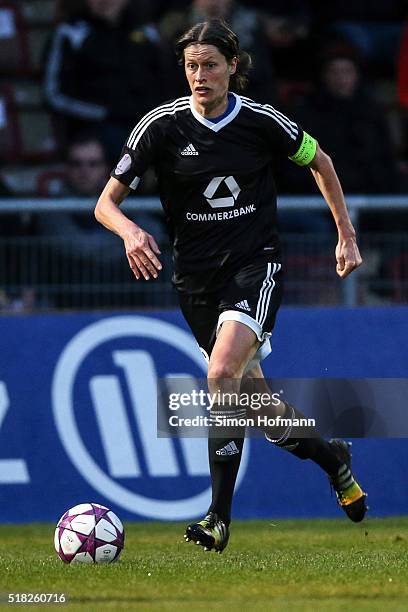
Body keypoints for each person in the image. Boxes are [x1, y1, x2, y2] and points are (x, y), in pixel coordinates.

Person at [95, 19, 367, 553]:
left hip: (254, 265)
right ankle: (334, 461)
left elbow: (323, 163)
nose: (200, 76)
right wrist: (129, 232)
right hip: (195, 280)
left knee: (220, 373)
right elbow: (105, 202)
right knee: (260, 414)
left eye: (211, 65)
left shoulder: (262, 121)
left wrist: (346, 235)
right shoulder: (160, 127)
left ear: (233, 67)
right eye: (191, 66)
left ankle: (217, 517)